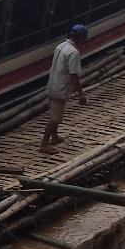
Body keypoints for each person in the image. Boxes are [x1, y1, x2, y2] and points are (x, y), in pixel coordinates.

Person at [41, 24, 88, 155]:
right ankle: (44, 144)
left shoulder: (60, 46)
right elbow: (74, 75)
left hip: (52, 83)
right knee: (55, 118)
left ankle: (54, 137)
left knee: (55, 113)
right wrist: (81, 94)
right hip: (60, 87)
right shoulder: (73, 52)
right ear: (79, 38)